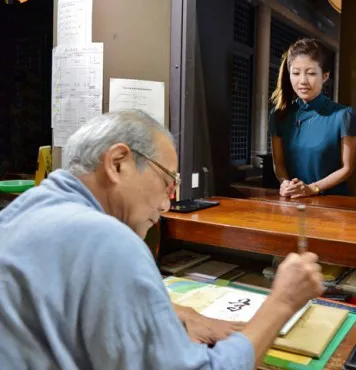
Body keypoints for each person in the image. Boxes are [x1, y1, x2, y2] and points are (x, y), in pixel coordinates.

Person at [0, 110, 325, 369]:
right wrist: (282, 302)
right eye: (168, 180)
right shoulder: (107, 238)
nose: (168, 202)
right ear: (117, 164)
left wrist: (176, 313)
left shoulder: (23, 211)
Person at [269, 38, 356, 198]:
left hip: (334, 206)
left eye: (310, 73)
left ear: (325, 76)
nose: (302, 81)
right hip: (293, 203)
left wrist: (312, 188)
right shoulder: (278, 115)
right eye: (296, 73)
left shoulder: (343, 115)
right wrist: (285, 184)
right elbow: (279, 164)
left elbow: (347, 168)